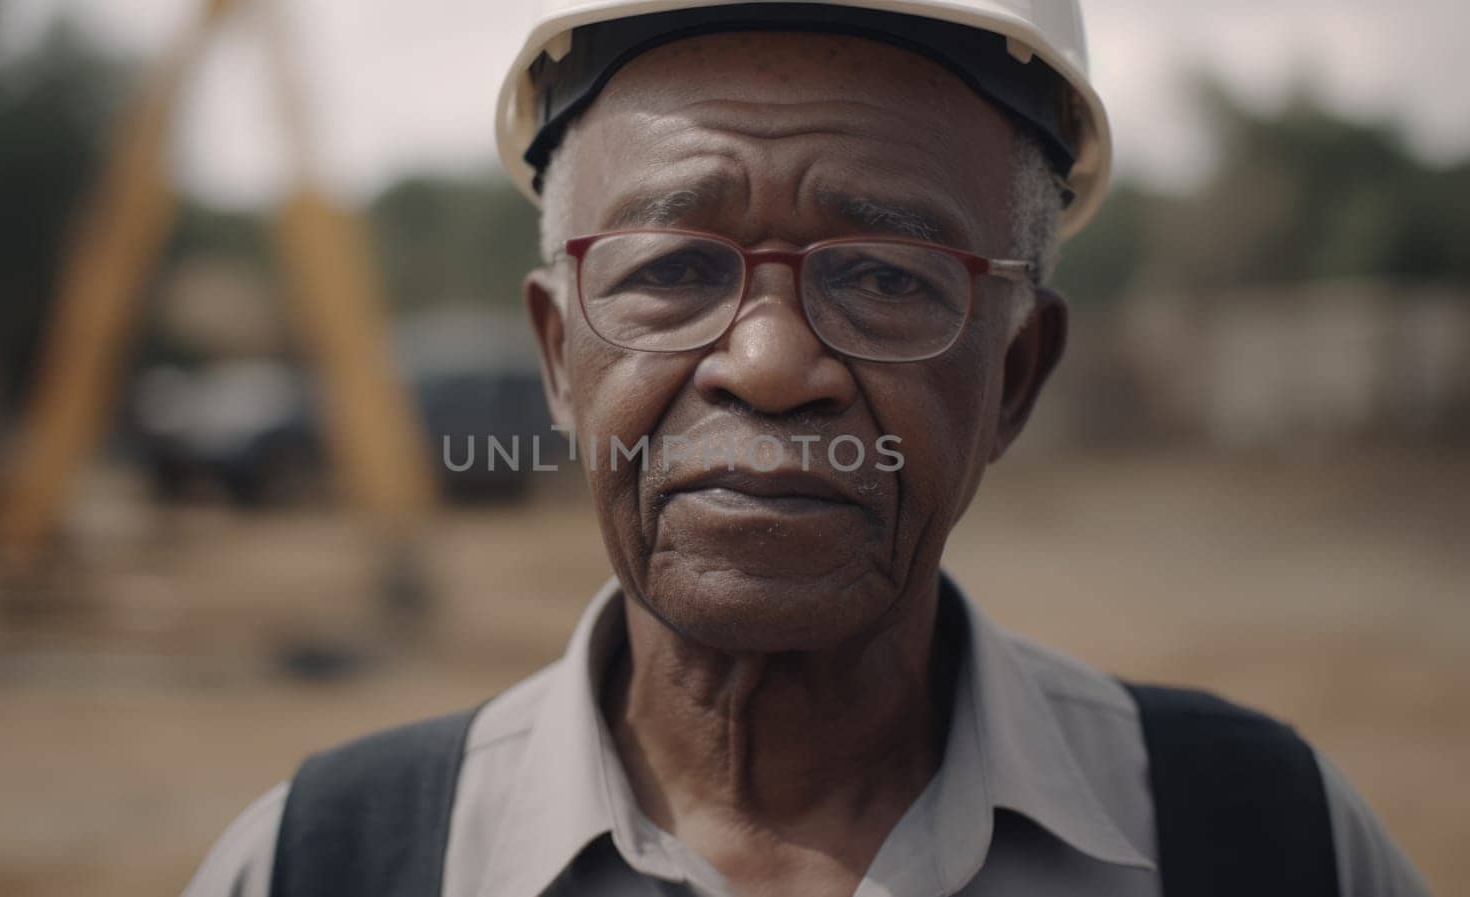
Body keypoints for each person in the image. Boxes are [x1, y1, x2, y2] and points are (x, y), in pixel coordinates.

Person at [183, 2, 1431, 895]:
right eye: (671, 270)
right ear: (558, 357)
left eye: (887, 276)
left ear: (1013, 377)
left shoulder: (1265, 841)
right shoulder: (322, 861)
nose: (771, 366)